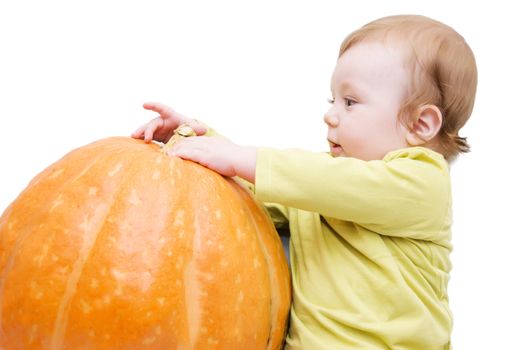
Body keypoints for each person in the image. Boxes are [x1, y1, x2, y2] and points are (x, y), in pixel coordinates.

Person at [132, 14, 477, 350]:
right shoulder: (317, 188)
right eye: (333, 100)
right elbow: (251, 191)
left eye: (351, 101)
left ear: (420, 125)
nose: (330, 114)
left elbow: (326, 181)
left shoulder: (422, 183)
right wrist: (196, 136)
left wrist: (240, 156)